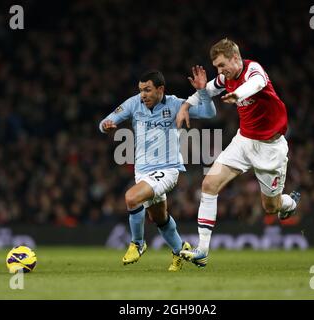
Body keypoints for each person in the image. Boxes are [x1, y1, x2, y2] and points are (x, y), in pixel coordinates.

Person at [177, 38, 301, 268]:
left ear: (236, 58)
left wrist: (237, 95)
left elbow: (255, 85)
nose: (220, 71)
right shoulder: (226, 78)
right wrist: (186, 104)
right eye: (217, 67)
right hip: (243, 142)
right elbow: (208, 91)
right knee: (208, 185)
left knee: (270, 207)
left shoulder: (253, 69)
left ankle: (289, 204)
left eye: (222, 65)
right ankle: (202, 250)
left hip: (270, 148)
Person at [99, 69, 216, 271]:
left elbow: (209, 112)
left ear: (160, 89)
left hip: (168, 169)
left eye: (147, 90)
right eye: (141, 90)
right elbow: (104, 122)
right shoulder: (133, 103)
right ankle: (180, 251)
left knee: (131, 198)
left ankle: (137, 243)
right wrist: (106, 126)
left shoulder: (175, 104)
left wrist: (203, 91)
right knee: (159, 218)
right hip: (143, 171)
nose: (143, 94)